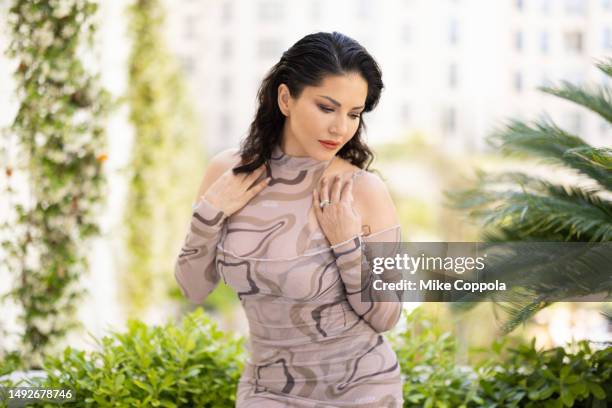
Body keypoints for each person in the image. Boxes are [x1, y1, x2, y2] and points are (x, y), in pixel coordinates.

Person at [175, 31, 404, 407]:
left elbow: (387, 316)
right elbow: (193, 288)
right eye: (326, 107)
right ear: (285, 98)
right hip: (267, 391)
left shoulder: (362, 190)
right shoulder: (226, 172)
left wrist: (346, 245)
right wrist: (208, 215)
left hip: (361, 391)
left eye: (353, 114)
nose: (340, 128)